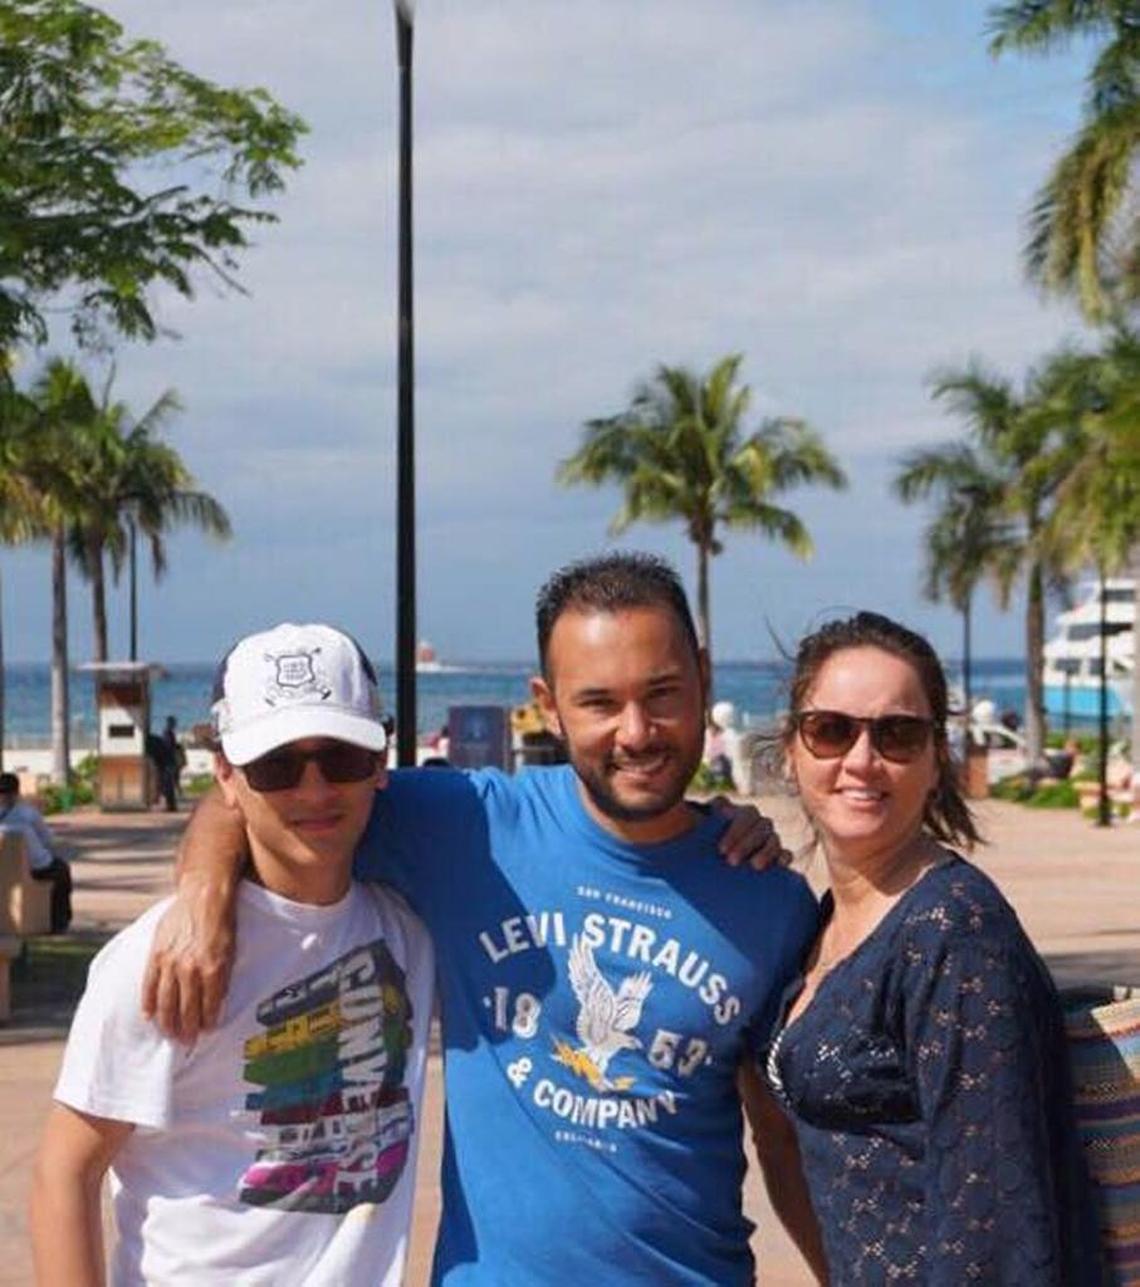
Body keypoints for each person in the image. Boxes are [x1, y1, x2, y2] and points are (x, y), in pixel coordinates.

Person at [145, 552, 826, 1284]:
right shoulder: (468, 826)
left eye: (661, 693)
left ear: (703, 673)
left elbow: (784, 1142)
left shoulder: (768, 898)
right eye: (599, 701)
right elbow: (263, 797)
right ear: (549, 702)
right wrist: (204, 894)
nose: (636, 730)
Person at [30, 623, 435, 1286]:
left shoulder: (410, 930)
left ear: (381, 758)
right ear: (225, 771)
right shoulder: (158, 960)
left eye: (341, 756)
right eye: (275, 764)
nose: (313, 789)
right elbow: (64, 1171)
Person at [764, 610, 1104, 1284]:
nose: (862, 759)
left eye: (897, 734)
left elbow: (998, 1224)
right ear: (790, 750)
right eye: (831, 730)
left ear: (934, 760)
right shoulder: (826, 920)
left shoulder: (953, 930)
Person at [0, 771, 71, 933]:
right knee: (61, 871)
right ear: (17, 793)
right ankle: (59, 921)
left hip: (4, 869)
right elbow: (46, 839)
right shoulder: (28, 815)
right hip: (35, 867)